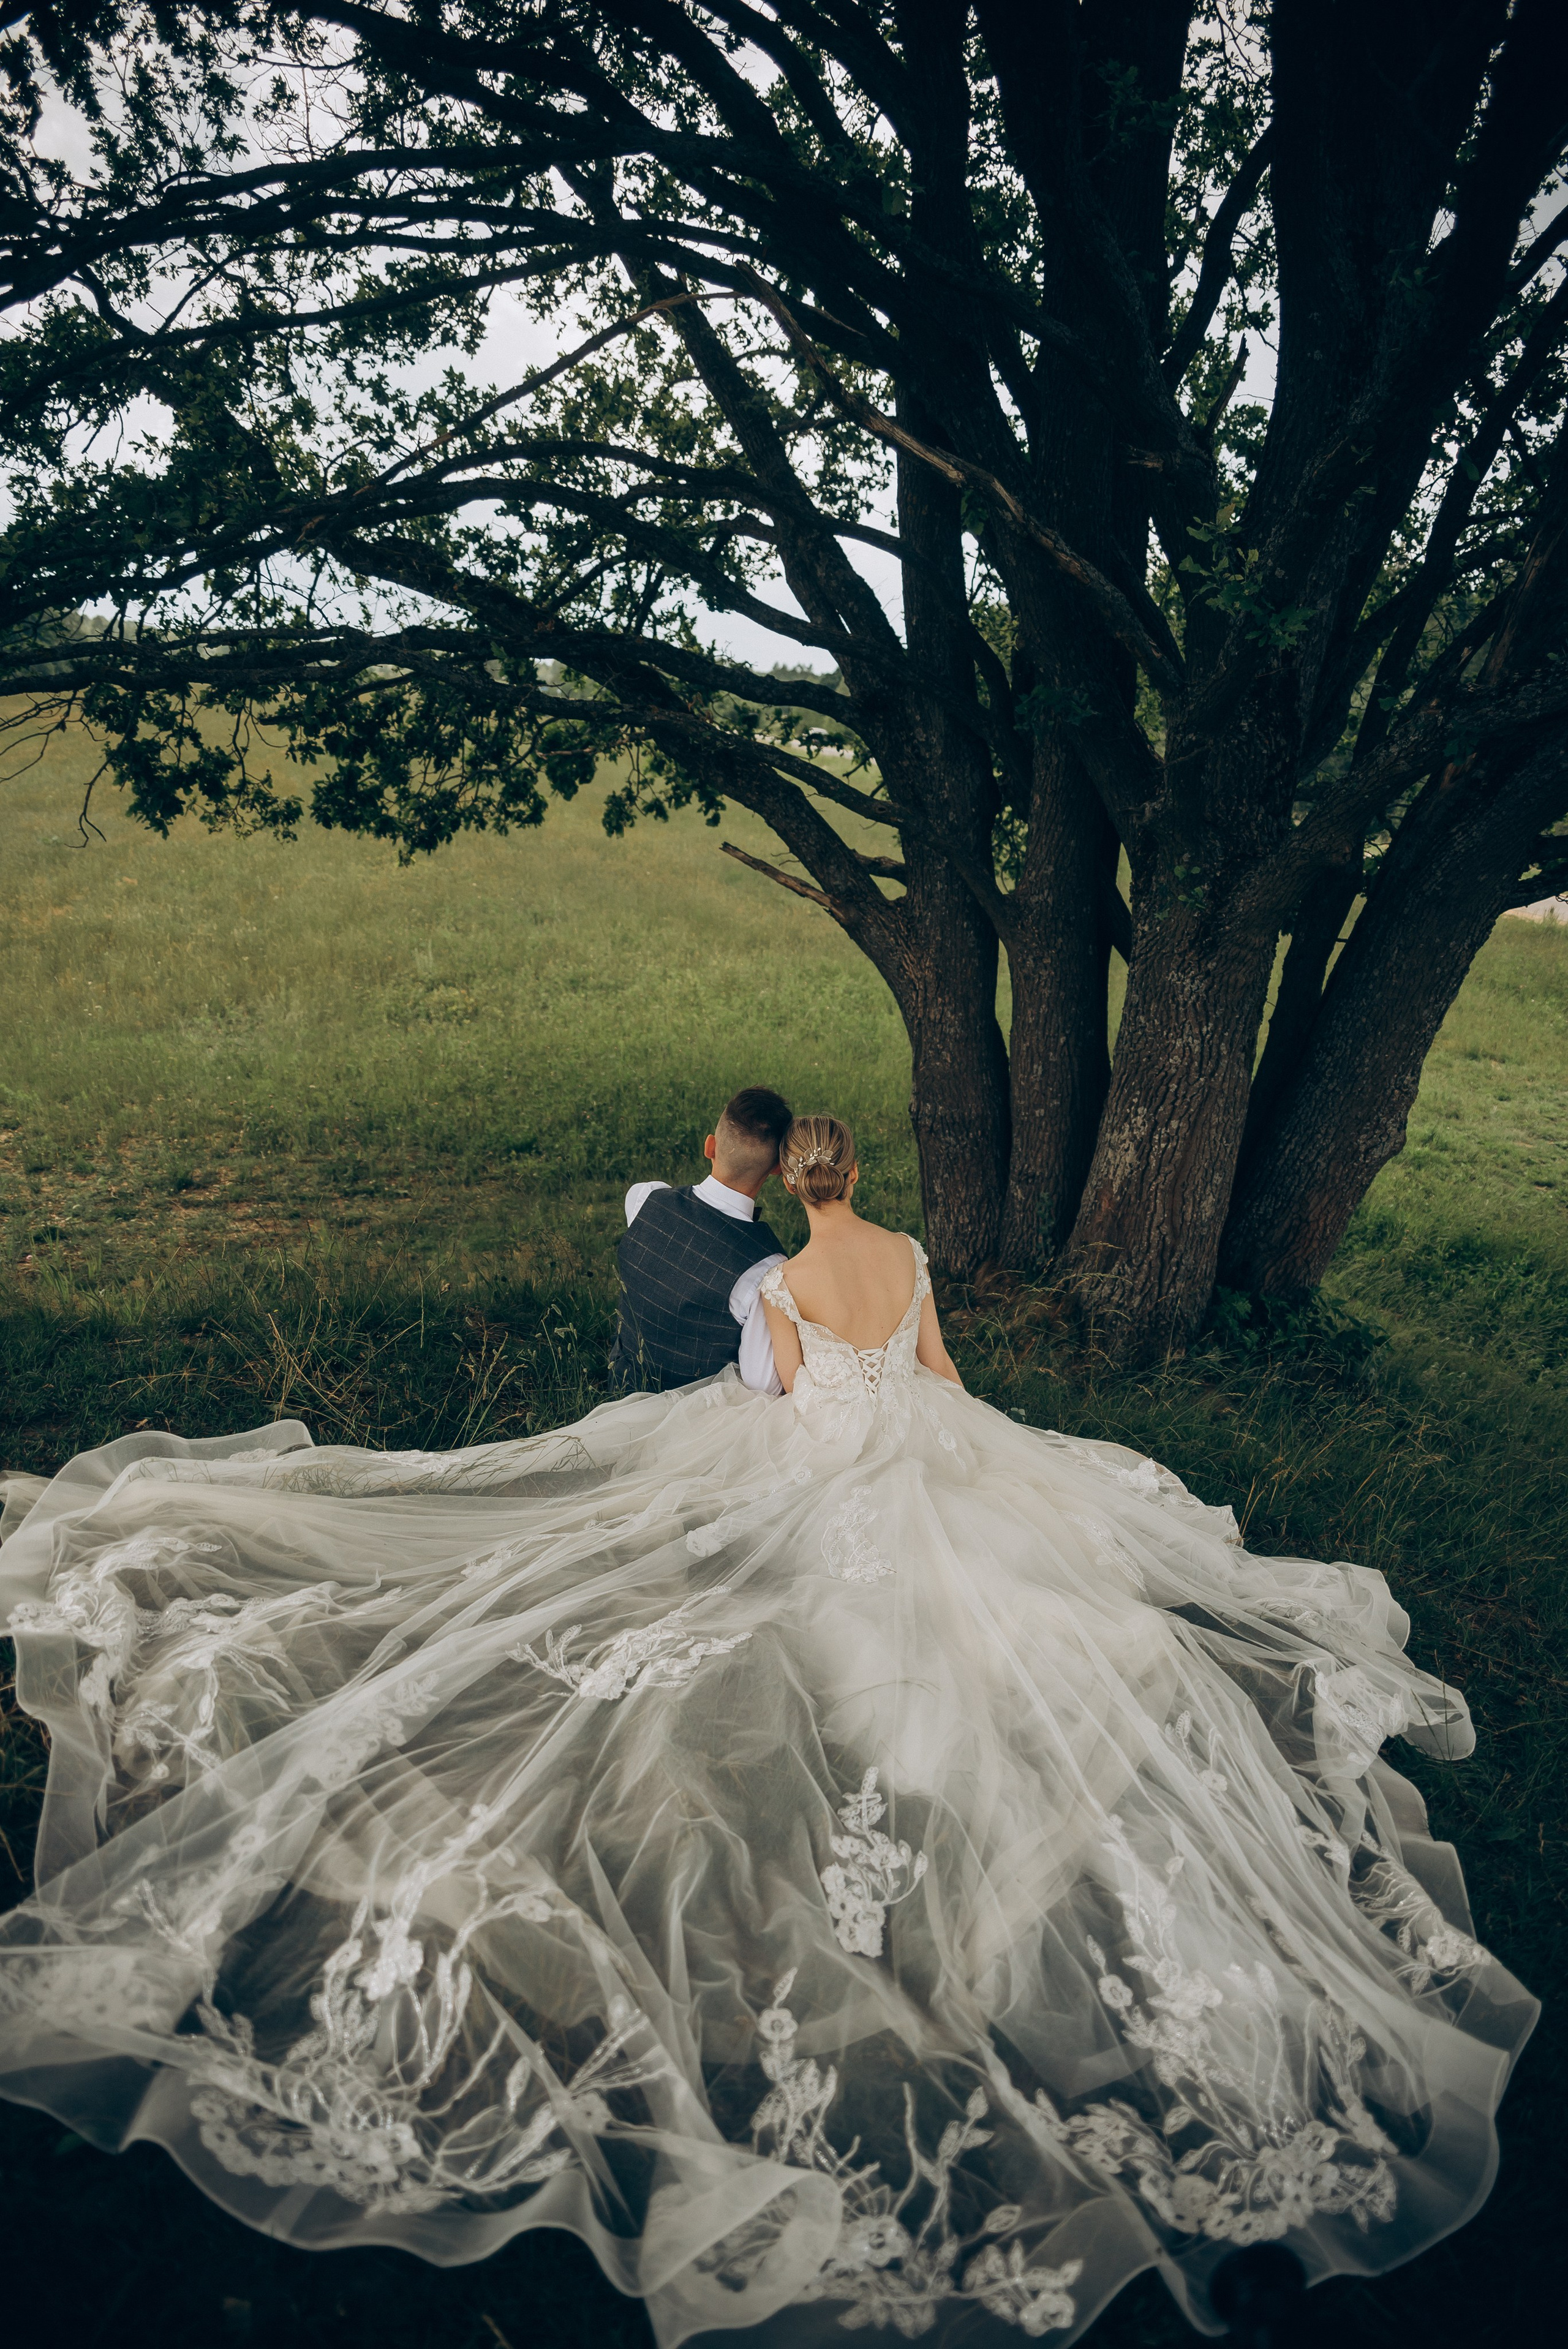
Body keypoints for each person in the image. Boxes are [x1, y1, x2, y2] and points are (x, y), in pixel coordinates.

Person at [0, 1113, 1535, 2349]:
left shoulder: (779, 1284)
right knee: (996, 1641)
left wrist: (799, 1412)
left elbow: (776, 1391)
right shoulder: (914, 1254)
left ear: (789, 1190)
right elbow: (936, 1378)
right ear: (856, 1182)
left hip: (824, 1476)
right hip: (917, 1462)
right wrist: (924, 1436)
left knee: (747, 1606)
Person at [611, 1085, 793, 1396]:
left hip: (621, 1385)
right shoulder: (767, 1270)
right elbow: (762, 1385)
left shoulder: (645, 1198)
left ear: (710, 1146)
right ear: (777, 1169)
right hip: (694, 1420)